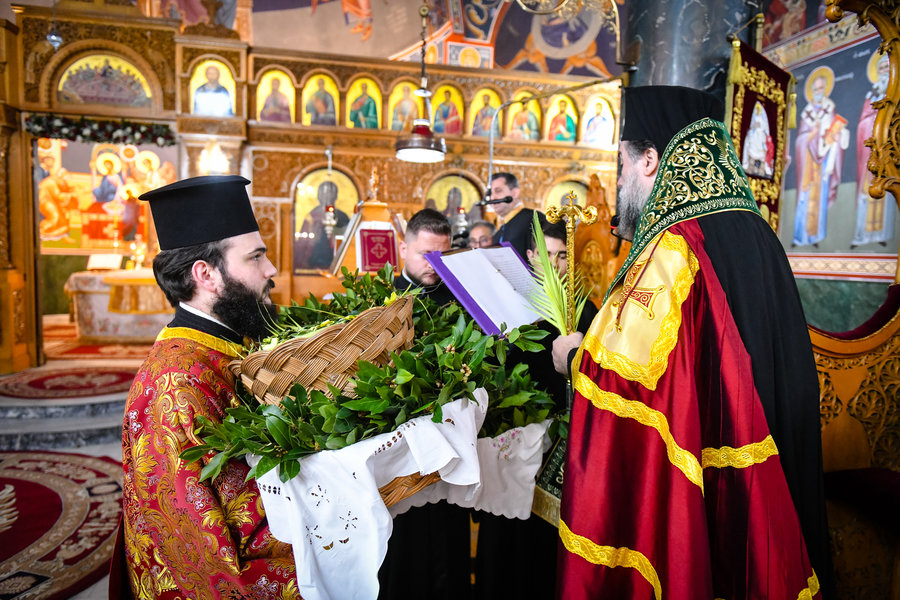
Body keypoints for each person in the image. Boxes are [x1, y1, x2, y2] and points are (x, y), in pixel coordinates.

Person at [550, 86, 834, 599]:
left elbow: (632, 379)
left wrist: (572, 357)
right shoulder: (756, 229)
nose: (618, 183)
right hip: (777, 444)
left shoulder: (678, 244)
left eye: (622, 165)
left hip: (721, 468)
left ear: (651, 160)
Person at [113, 175, 300, 599]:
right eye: (256, 257)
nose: (271, 270)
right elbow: (206, 555)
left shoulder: (228, 341)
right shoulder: (177, 385)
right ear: (206, 274)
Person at [474, 219, 598, 600]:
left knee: (546, 542)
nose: (556, 265)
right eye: (548, 255)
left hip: (558, 446)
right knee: (505, 535)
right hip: (511, 439)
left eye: (563, 256)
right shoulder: (509, 303)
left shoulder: (586, 311)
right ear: (530, 256)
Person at [381, 208, 470, 600]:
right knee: (404, 547)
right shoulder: (378, 300)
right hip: (397, 447)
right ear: (403, 248)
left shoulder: (462, 299)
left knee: (448, 542)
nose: (434, 264)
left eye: (441, 255)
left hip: (450, 443)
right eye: (424, 254)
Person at [792, 67, 848, 247]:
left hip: (822, 162)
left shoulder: (829, 109)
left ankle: (815, 237)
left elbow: (833, 135)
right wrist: (811, 134)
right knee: (804, 197)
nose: (818, 92)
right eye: (815, 89)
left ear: (826, 89)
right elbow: (800, 140)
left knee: (819, 198)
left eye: (821, 88)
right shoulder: (806, 113)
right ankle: (800, 237)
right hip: (807, 162)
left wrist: (834, 136)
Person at [852, 52, 895, 247]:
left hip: (886, 150)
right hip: (869, 152)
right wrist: (871, 123)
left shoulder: (893, 95)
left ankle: (880, 235)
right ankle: (861, 235)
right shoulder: (870, 95)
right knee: (866, 189)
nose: (884, 71)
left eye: (887, 67)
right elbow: (863, 120)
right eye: (882, 68)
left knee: (885, 187)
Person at [294, 180, 350, 270]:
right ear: (319, 196)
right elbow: (303, 243)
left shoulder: (343, 217)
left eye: (331, 193)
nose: (328, 197)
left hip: (338, 262)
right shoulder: (312, 216)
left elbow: (349, 241)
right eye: (324, 193)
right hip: (315, 262)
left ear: (336, 195)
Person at [489, 172, 543, 261]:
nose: (492, 198)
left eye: (498, 191)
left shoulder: (534, 218)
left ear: (514, 193)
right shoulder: (499, 230)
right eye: (491, 193)